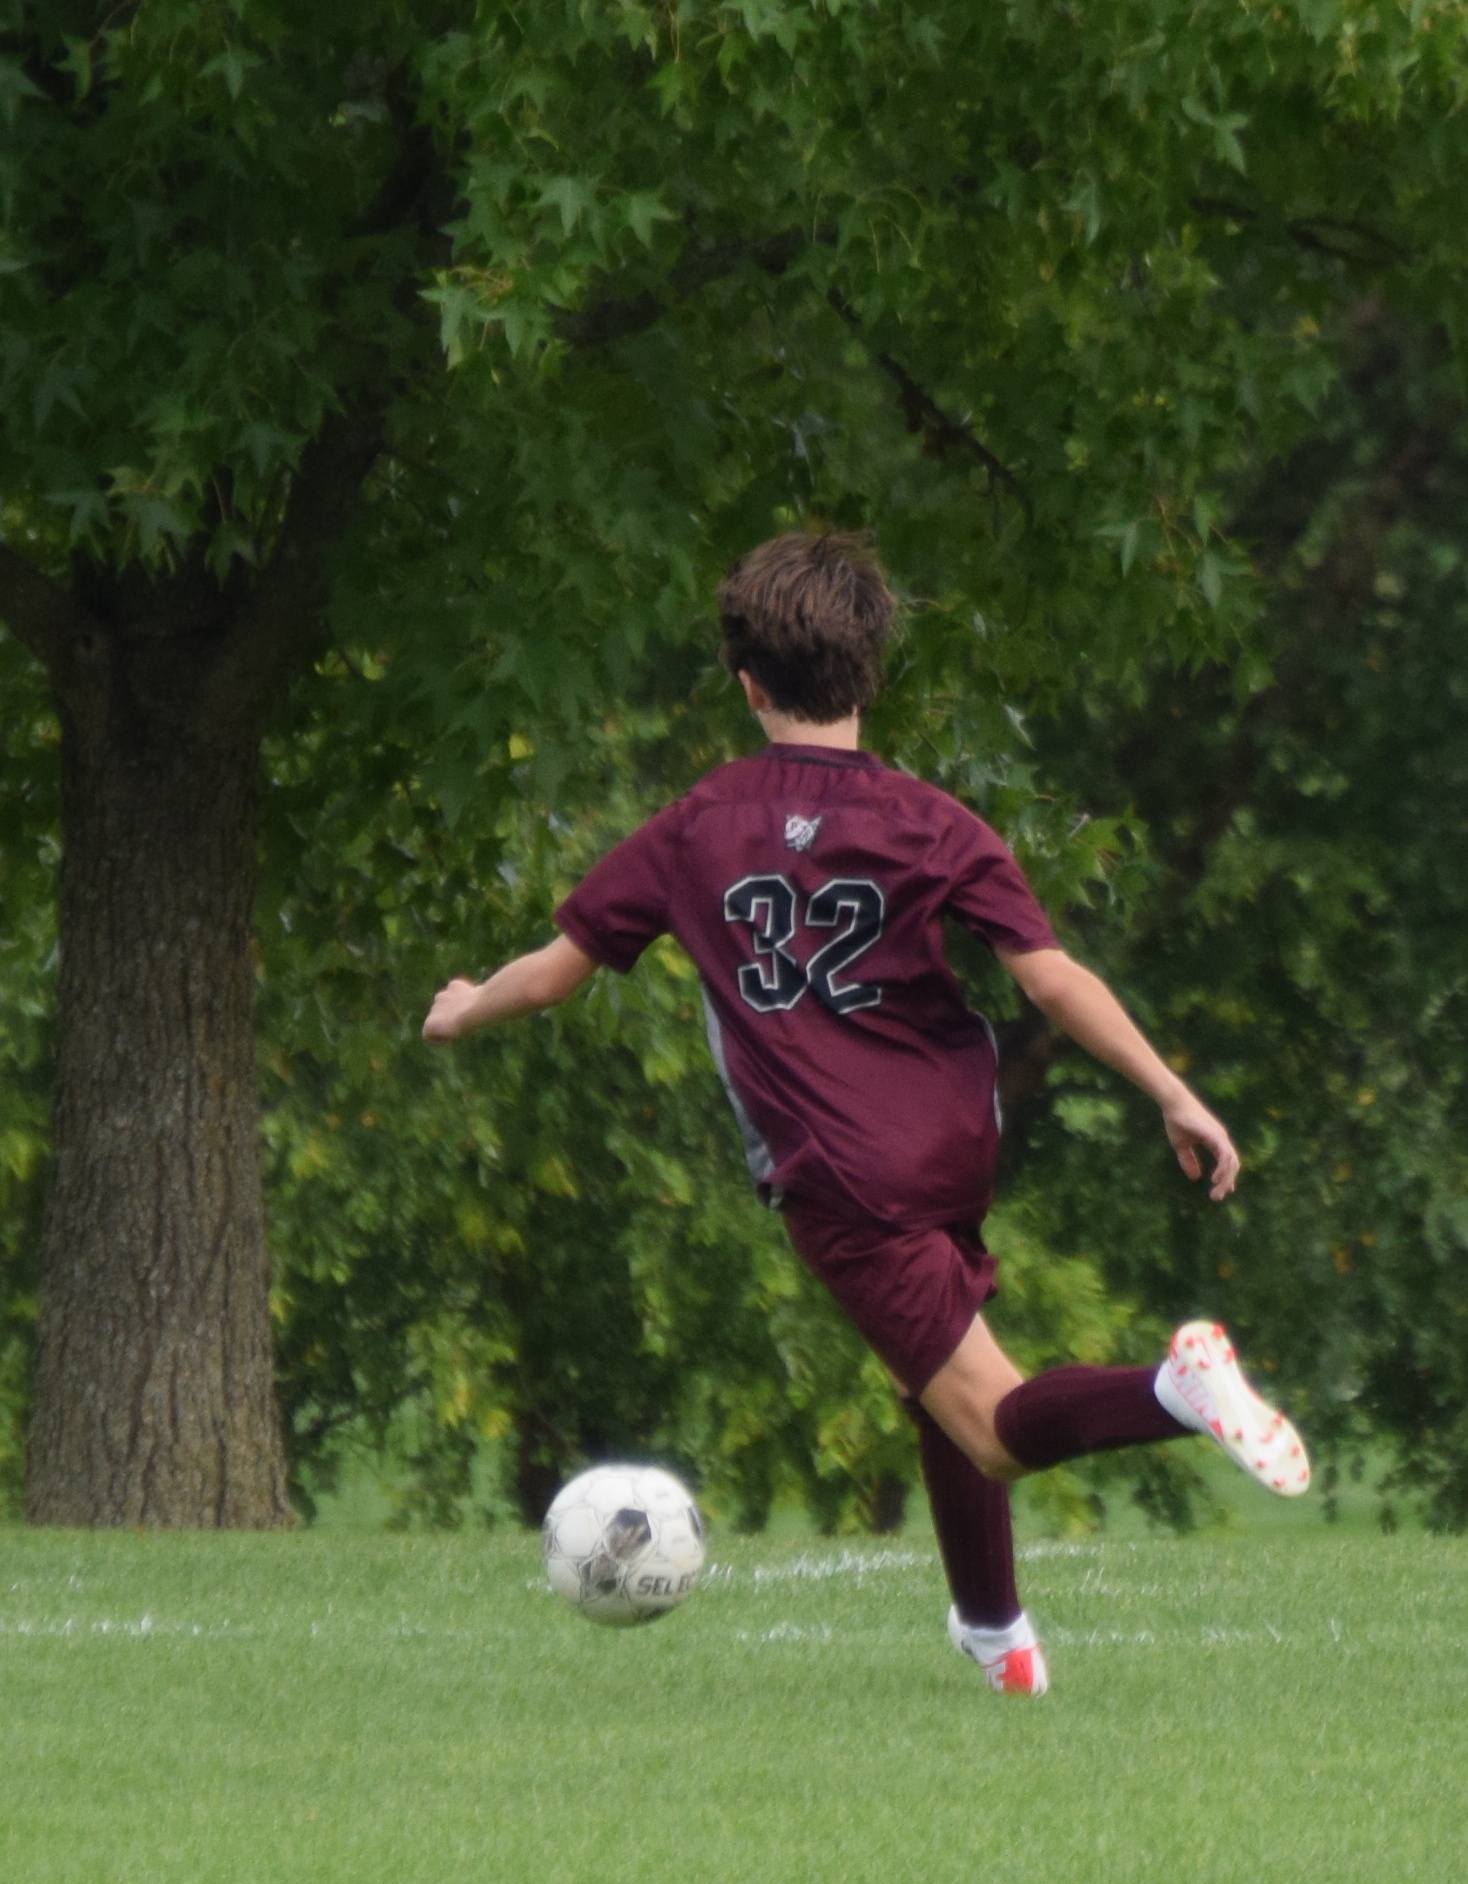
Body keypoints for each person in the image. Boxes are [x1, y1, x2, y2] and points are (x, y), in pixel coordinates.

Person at [422, 531, 1307, 1694]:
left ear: (746, 683)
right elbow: (1050, 980)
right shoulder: (929, 820)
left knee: (990, 1423)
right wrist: (1173, 1092)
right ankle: (995, 1636)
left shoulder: (693, 826)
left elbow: (549, 975)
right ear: (868, 676)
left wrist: (462, 1008)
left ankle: (1170, 1393)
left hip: (839, 1175)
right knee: (930, 1378)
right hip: (949, 1141)